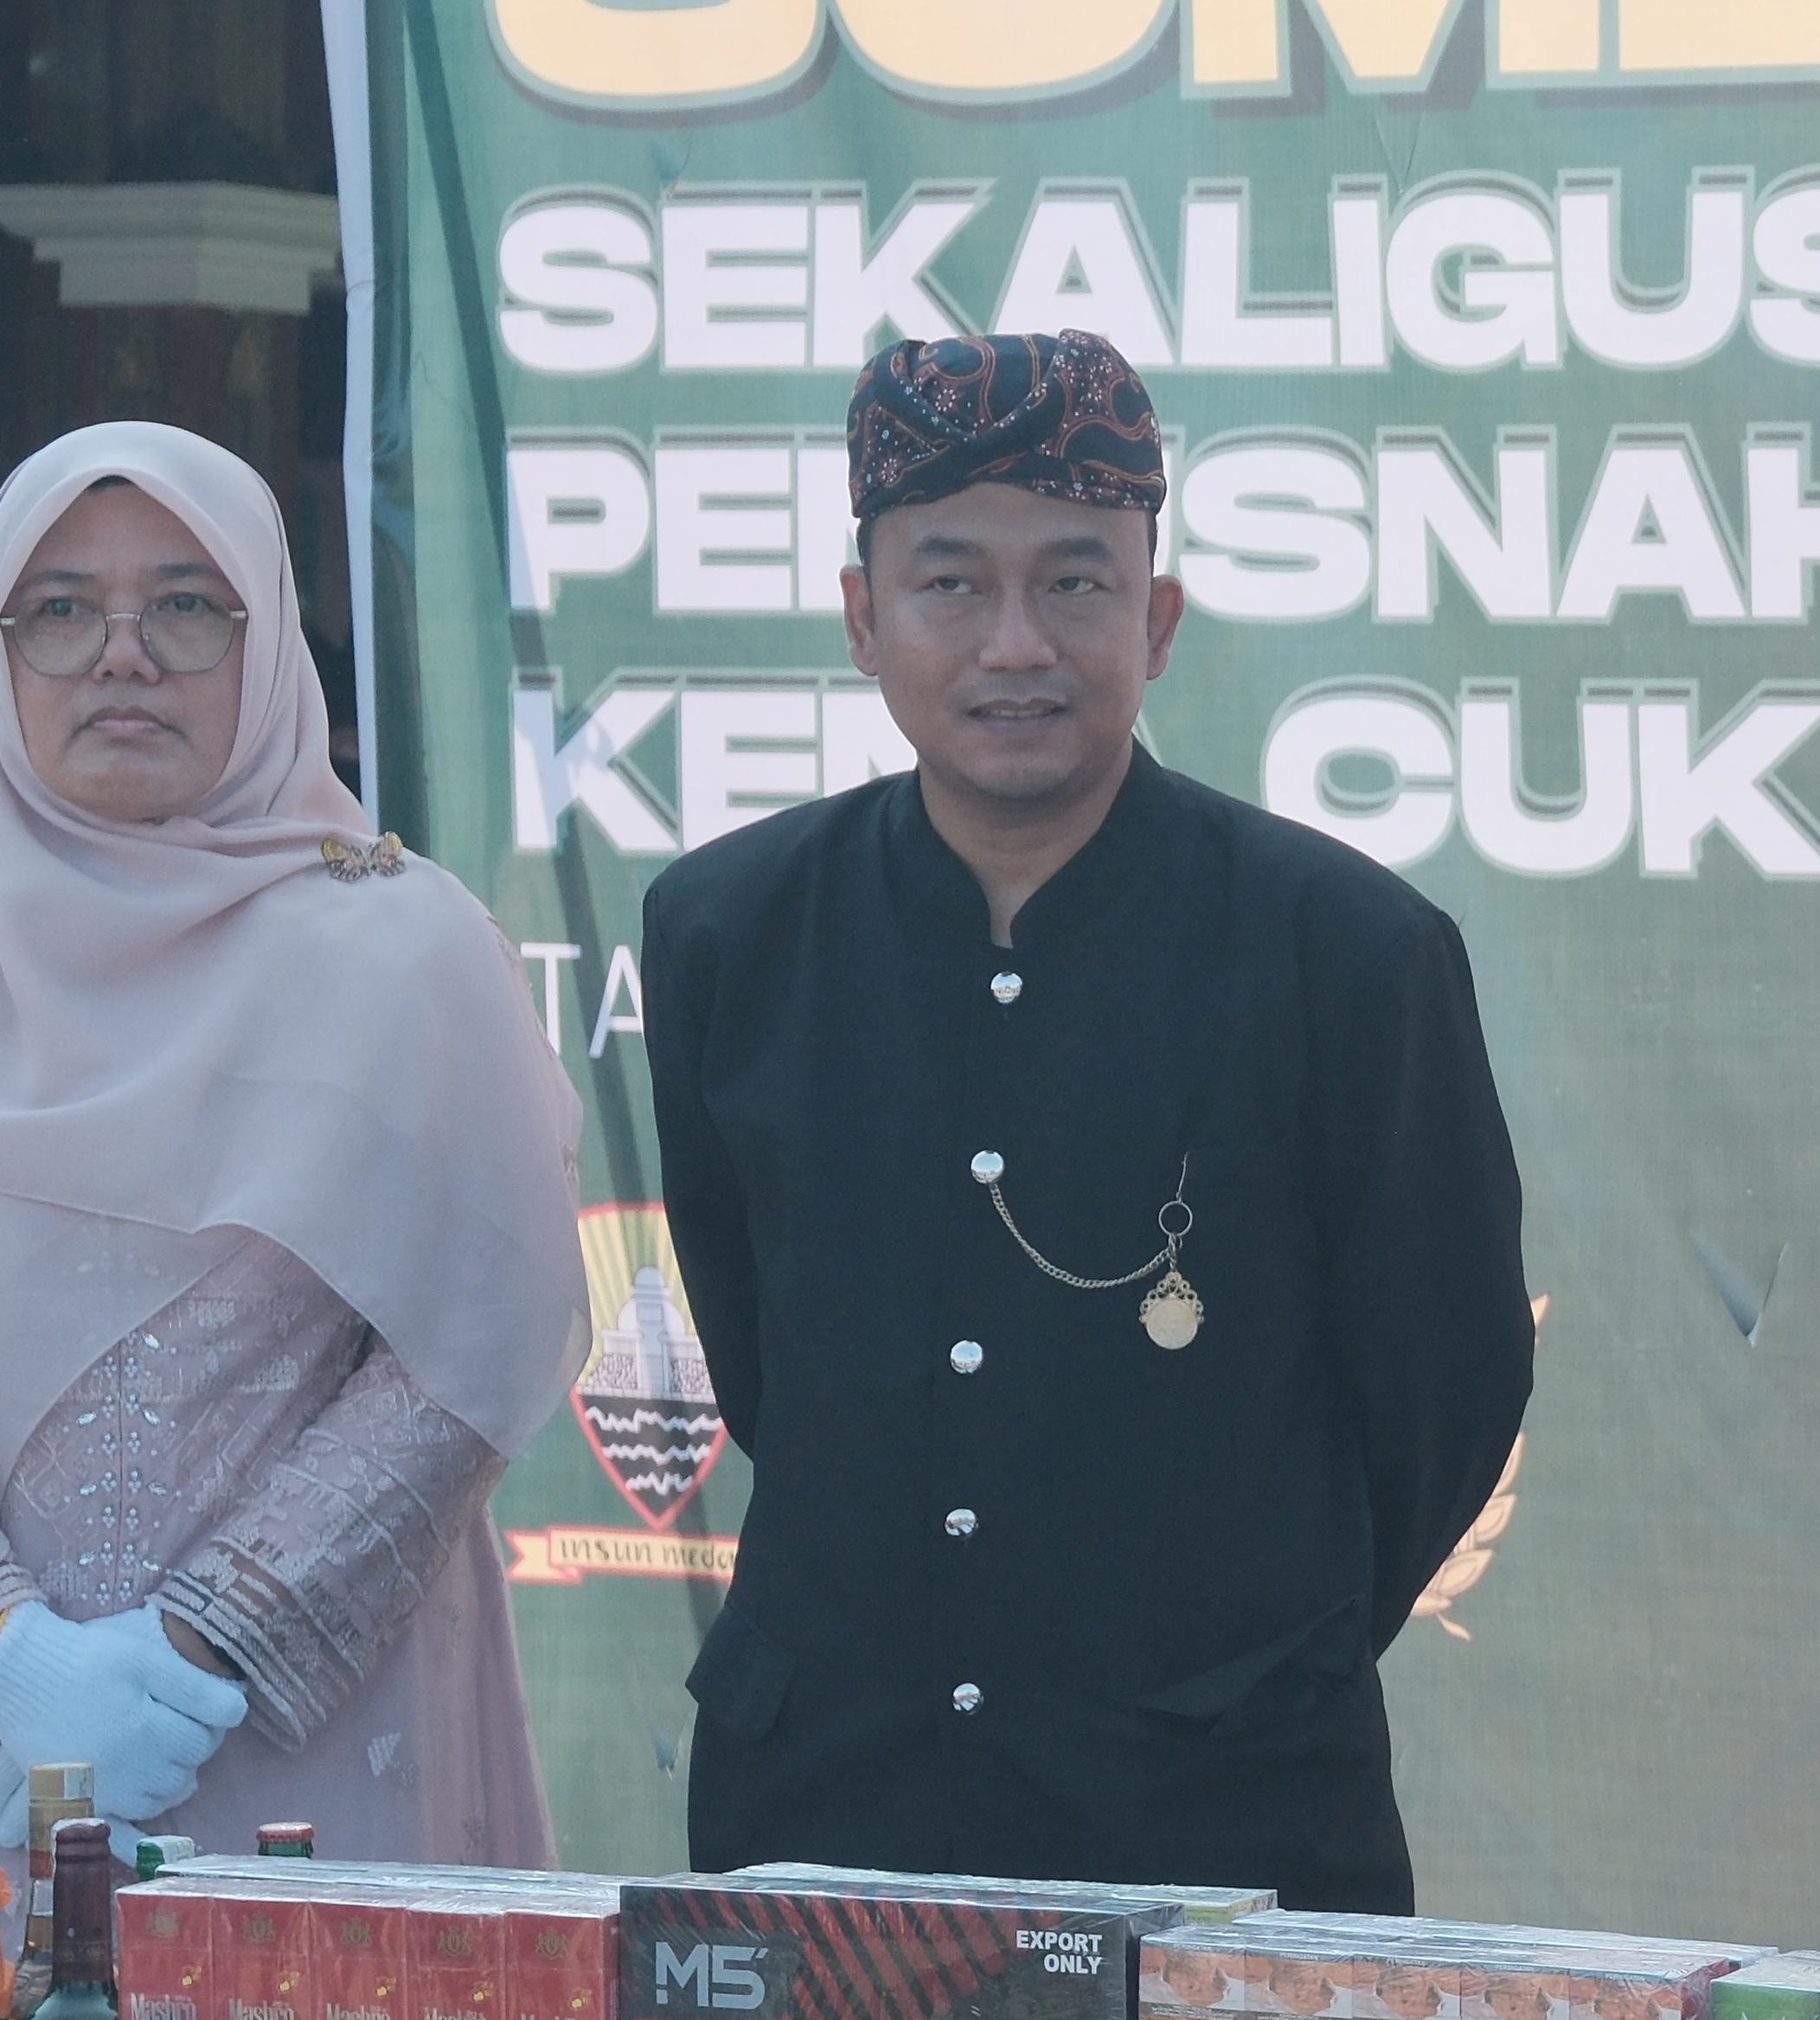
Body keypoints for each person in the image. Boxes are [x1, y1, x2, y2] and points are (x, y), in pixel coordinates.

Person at [644, 331, 1530, 1912]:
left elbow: (1444, 1394)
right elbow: (765, 1356)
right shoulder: (732, 932)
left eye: (1074, 582)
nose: (1015, 644)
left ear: (1157, 619)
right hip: (827, 1808)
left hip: (1220, 1824)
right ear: (861, 618)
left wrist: (1232, 1665)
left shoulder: (1345, 953)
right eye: (948, 584)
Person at [0, 424, 582, 1857]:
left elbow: (474, 1337)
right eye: (61, 608)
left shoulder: (406, 953)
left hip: (301, 1739)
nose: (123, 656)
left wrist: (208, 1640)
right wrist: (18, 1657)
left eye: (186, 606)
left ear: (266, 643)